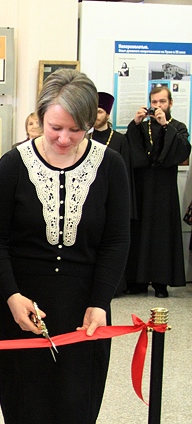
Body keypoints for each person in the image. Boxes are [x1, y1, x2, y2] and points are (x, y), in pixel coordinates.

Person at [0, 69, 129, 423]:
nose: (64, 138)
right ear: (40, 117)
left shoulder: (110, 165)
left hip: (85, 309)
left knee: (77, 405)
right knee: (25, 406)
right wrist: (11, 295)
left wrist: (100, 302)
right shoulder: (14, 164)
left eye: (76, 130)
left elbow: (116, 240)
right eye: (55, 127)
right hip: (22, 307)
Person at [124, 86, 190, 297]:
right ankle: (139, 281)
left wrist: (165, 125)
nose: (158, 105)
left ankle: (161, 282)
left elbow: (182, 150)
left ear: (170, 103)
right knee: (139, 231)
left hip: (164, 188)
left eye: (162, 101)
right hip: (142, 185)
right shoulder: (143, 127)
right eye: (154, 102)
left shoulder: (178, 126)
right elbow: (132, 151)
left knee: (162, 233)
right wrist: (135, 124)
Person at [90, 92, 133, 295]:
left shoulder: (119, 140)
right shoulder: (86, 138)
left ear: (107, 114)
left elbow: (126, 175)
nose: (95, 115)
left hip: (111, 196)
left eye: (99, 111)